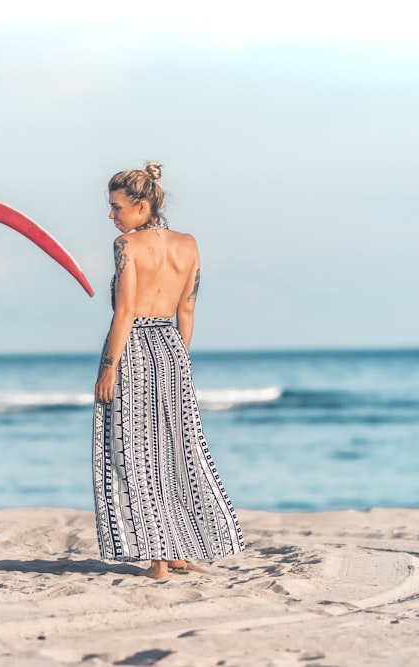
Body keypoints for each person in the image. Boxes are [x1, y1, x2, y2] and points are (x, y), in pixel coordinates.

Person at [92, 162, 245, 579]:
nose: (111, 216)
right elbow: (188, 309)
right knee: (176, 449)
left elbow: (124, 312)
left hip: (135, 347)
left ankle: (158, 560)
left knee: (136, 454)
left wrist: (109, 367)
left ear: (141, 206)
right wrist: (178, 358)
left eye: (116, 207)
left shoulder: (127, 246)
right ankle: (178, 549)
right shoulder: (189, 244)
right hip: (172, 348)